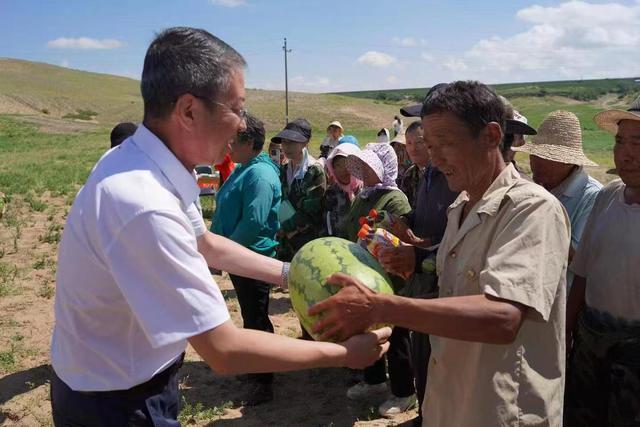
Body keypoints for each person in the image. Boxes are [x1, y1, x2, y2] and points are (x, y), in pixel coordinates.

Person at [49, 27, 390, 426]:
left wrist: (292, 274)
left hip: (121, 381)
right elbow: (223, 349)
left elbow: (206, 243)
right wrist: (346, 355)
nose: (241, 125)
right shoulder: (144, 204)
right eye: (236, 108)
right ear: (189, 110)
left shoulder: (144, 164)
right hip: (114, 403)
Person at [311, 81, 571, 427]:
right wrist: (381, 302)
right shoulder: (461, 206)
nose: (435, 157)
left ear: (492, 136)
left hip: (501, 411)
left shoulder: (532, 209)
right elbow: (456, 295)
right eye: (429, 146)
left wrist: (383, 307)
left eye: (445, 143)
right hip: (451, 403)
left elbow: (503, 316)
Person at [564, 96, 640, 427]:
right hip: (590, 338)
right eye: (620, 142)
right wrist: (567, 329)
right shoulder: (609, 195)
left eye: (638, 143)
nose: (626, 153)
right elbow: (582, 272)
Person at [385, 94, 459, 423]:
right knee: (422, 351)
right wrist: (408, 222)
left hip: (445, 282)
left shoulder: (455, 177)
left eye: (429, 138)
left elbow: (460, 236)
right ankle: (426, 412)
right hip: (425, 277)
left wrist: (420, 249)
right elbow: (426, 212)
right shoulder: (426, 173)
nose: (421, 146)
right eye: (419, 140)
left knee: (442, 357)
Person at [210, 114, 281, 405]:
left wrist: (223, 254)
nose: (228, 144)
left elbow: (254, 221)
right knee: (251, 316)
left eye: (233, 139)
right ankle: (256, 369)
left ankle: (264, 381)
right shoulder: (246, 168)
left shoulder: (260, 174)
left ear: (250, 143)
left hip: (253, 257)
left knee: (257, 319)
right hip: (240, 257)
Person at [344, 142, 416, 417]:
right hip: (364, 272)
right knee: (368, 326)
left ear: (381, 168)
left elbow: (400, 236)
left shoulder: (395, 199)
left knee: (397, 334)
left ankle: (404, 391)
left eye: (367, 166)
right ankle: (374, 380)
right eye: (360, 166)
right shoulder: (364, 195)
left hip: (390, 275)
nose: (362, 170)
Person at [512, 110, 602, 290]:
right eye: (533, 154)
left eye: (545, 158)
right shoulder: (540, 186)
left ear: (568, 162)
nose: (535, 163)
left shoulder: (593, 196)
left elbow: (577, 260)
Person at [273, 118, 327, 262]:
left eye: (292, 142)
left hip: (306, 240)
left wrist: (286, 227)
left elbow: (312, 210)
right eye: (284, 142)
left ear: (305, 143)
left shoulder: (314, 170)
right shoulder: (284, 170)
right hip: (285, 240)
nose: (286, 146)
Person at [322, 137, 362, 239]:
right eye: (338, 165)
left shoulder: (366, 192)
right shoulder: (331, 193)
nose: (342, 170)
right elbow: (326, 224)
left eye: (347, 164)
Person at [398, 121, 427, 208]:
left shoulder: (441, 172)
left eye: (419, 142)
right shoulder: (409, 174)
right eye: (409, 143)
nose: (413, 149)